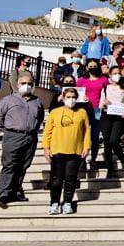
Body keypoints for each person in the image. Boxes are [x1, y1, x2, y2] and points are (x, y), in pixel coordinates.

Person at [0, 71, 45, 208]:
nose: (26, 86)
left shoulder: (37, 101)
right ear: (18, 84)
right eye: (23, 83)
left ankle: (16, 191)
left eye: (29, 84)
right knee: (10, 165)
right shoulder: (9, 100)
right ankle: (4, 193)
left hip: (30, 136)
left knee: (23, 166)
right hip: (13, 136)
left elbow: (39, 118)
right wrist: (8, 131)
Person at [42, 87, 91, 215]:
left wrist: (86, 147)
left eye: (74, 97)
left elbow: (86, 131)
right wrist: (46, 147)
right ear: (63, 98)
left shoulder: (82, 112)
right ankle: (54, 203)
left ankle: (67, 202)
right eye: (68, 97)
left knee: (70, 178)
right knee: (56, 179)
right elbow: (47, 131)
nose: (71, 100)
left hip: (75, 150)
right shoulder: (55, 112)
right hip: (57, 150)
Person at [76, 59, 110, 171]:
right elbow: (74, 93)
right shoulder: (81, 80)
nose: (92, 68)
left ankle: (93, 159)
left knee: (95, 136)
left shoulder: (103, 80)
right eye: (90, 66)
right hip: (83, 109)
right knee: (82, 136)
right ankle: (81, 160)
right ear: (86, 67)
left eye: (94, 66)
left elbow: (109, 92)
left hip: (97, 110)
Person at [99, 66, 124, 176]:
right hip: (107, 116)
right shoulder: (105, 88)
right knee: (107, 144)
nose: (116, 75)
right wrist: (104, 104)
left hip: (119, 117)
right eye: (114, 73)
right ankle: (110, 169)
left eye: (118, 73)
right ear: (110, 75)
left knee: (113, 140)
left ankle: (123, 160)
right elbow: (101, 103)